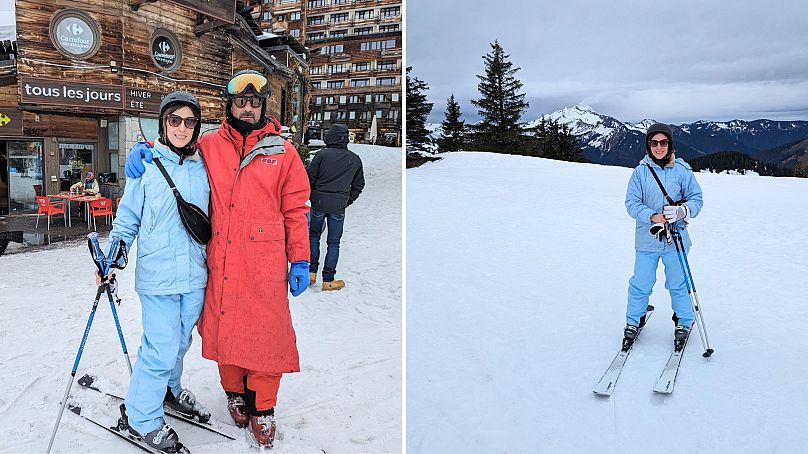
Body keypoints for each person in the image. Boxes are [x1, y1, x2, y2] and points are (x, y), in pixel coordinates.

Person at [125, 70, 310, 448]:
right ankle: (234, 393)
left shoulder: (282, 151)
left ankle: (264, 407)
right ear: (229, 105)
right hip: (220, 263)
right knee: (225, 330)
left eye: (254, 103)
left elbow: (296, 209)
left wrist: (301, 259)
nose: (247, 108)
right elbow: (175, 150)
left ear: (263, 107)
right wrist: (140, 152)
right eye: (240, 101)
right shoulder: (209, 144)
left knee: (267, 336)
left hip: (265, 263)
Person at [105, 91, 210, 453]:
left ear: (197, 126)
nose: (182, 127)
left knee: (180, 343)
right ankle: (142, 417)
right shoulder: (146, 165)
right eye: (174, 120)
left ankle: (166, 389)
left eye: (189, 121)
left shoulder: (203, 165)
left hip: (195, 274)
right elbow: (127, 219)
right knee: (160, 346)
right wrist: (113, 255)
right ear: (163, 124)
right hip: (158, 278)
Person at [623, 123, 703, 347]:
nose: (659, 147)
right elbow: (631, 203)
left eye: (663, 142)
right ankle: (633, 320)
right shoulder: (640, 172)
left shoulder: (682, 170)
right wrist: (651, 216)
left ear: (670, 144)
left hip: (676, 240)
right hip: (648, 238)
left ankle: (684, 321)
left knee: (678, 283)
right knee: (641, 282)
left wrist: (682, 211)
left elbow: (697, 199)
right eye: (654, 142)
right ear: (649, 145)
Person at [306, 123, 365, 290]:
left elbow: (308, 179)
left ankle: (311, 272)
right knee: (334, 243)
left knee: (313, 237)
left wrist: (313, 196)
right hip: (338, 206)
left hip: (318, 203)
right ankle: (328, 280)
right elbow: (359, 185)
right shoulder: (354, 159)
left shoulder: (321, 155)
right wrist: (346, 201)